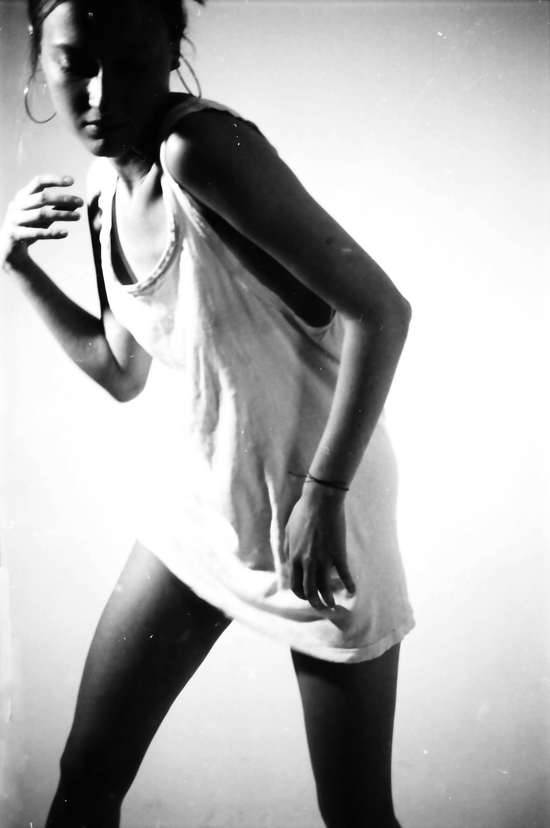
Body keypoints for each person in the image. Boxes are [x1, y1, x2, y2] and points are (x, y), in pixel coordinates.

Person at [1, 1, 415, 825]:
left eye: (131, 60)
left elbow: (381, 311)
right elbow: (121, 369)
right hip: (204, 506)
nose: (101, 93)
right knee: (89, 772)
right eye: (75, 63)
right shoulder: (103, 192)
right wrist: (14, 263)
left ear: (172, 49)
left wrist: (323, 495)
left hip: (321, 513)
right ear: (37, 60)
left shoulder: (198, 149)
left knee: (356, 812)